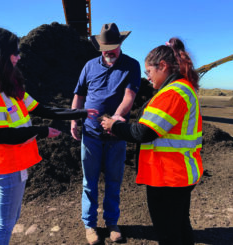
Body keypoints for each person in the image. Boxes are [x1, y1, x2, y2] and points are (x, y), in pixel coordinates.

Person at [0, 27, 98, 245]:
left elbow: (42, 109)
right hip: (7, 165)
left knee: (10, 220)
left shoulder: (8, 85)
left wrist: (81, 112)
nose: (19, 57)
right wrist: (41, 131)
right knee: (4, 225)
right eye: (14, 52)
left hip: (18, 163)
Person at [101, 37, 203, 245]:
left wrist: (114, 126)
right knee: (180, 226)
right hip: (179, 174)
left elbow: (144, 132)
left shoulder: (172, 92)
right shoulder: (182, 89)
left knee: (168, 233)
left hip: (169, 176)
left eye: (149, 72)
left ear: (163, 66)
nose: (147, 78)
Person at [71, 23, 141, 244]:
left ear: (120, 45)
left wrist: (115, 119)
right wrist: (74, 118)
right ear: (100, 47)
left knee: (113, 180)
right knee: (88, 182)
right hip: (90, 136)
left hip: (116, 137)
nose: (109, 52)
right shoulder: (89, 66)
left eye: (113, 47)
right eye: (105, 48)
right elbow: (79, 95)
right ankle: (90, 225)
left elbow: (129, 97)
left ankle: (112, 222)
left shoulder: (131, 65)